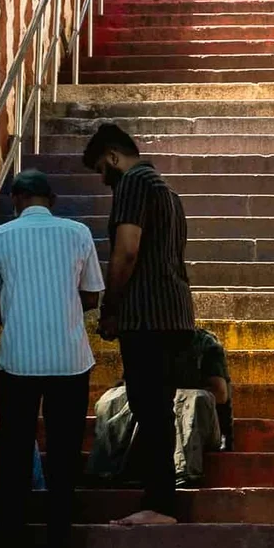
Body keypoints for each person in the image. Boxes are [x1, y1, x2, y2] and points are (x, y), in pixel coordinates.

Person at [0, 169, 104, 548]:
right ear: (51, 200)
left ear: (15, 200)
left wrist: (14, 316)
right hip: (70, 360)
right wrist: (60, 313)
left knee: (13, 458)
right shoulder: (78, 233)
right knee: (64, 457)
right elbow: (93, 295)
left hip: (18, 362)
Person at [82, 122, 197, 526]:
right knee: (159, 411)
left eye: (101, 168)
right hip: (175, 314)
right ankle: (162, 500)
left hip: (145, 317)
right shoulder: (167, 191)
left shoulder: (132, 183)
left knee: (149, 411)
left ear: (114, 156)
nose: (103, 178)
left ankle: (159, 504)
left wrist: (110, 308)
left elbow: (127, 251)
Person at [88, 327, 234, 487]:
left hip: (201, 425)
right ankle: (107, 471)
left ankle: (183, 473)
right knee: (112, 398)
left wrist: (171, 395)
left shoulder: (205, 342)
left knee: (194, 399)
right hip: (154, 421)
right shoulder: (146, 342)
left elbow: (220, 394)